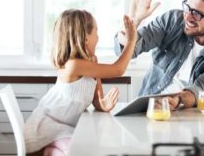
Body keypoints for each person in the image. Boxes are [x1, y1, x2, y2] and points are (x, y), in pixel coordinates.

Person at [24, 8, 139, 156]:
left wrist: (103, 104)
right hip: (48, 126)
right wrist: (131, 41)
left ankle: (50, 151)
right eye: (96, 32)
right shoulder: (73, 65)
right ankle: (49, 150)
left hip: (65, 127)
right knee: (78, 150)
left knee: (86, 146)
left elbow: (97, 100)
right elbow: (118, 70)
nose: (98, 37)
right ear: (85, 38)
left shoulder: (91, 62)